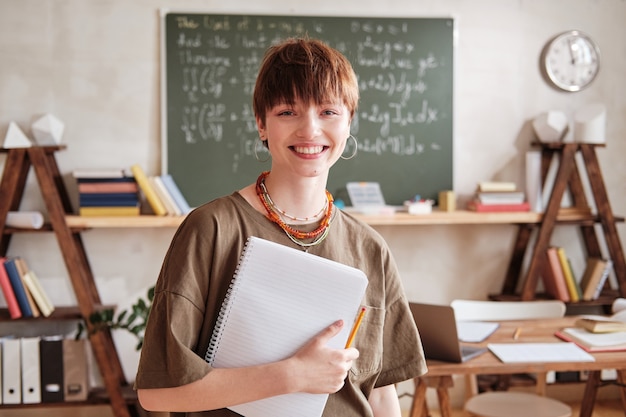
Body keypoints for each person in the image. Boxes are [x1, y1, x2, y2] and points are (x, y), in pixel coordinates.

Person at [135, 37, 426, 417]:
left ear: (349, 121)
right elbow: (158, 394)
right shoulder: (212, 229)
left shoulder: (369, 248)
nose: (310, 130)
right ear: (261, 123)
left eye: (328, 112)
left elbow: (381, 393)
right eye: (288, 111)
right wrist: (292, 375)